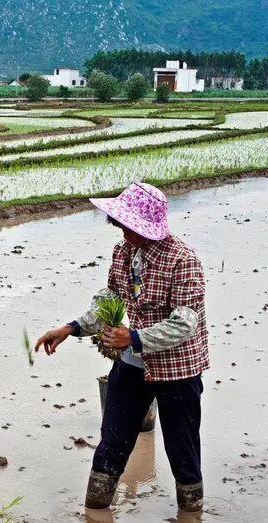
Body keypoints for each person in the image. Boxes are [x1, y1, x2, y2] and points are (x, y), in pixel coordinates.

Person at [35, 182, 208, 513]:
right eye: (120, 224)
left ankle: (191, 512)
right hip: (132, 365)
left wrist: (136, 337)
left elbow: (185, 323)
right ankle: (95, 509)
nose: (121, 231)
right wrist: (70, 329)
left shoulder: (183, 261)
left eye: (127, 225)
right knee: (112, 441)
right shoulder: (124, 253)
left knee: (182, 449)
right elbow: (110, 300)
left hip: (178, 370)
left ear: (145, 227)